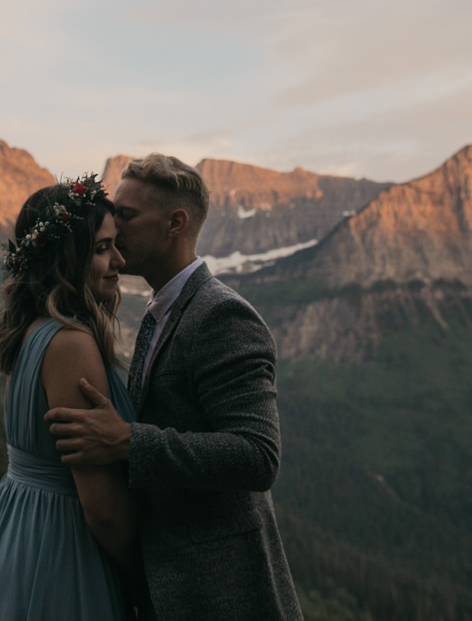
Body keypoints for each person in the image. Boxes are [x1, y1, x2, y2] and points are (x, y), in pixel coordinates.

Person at [45, 154, 302, 621]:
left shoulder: (221, 315)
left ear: (175, 223)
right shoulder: (161, 311)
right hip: (174, 589)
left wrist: (126, 440)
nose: (111, 225)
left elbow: (258, 456)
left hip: (224, 590)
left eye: (126, 215)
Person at [0, 175, 139, 621]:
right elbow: (100, 505)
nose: (119, 260)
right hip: (62, 551)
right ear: (68, 258)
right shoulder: (70, 344)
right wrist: (148, 579)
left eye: (115, 245)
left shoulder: (30, 333)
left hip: (14, 535)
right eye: (102, 249)